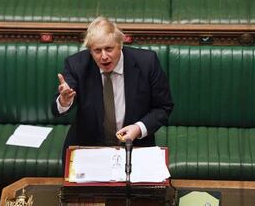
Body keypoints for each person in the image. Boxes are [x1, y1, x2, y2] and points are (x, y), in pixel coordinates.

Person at [52, 16, 173, 168]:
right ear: (90, 51)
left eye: (109, 49)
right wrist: (64, 101)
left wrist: (138, 128)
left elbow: (163, 107)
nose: (103, 56)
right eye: (97, 50)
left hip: (135, 147)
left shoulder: (147, 63)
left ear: (120, 45)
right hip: (89, 148)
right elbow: (58, 108)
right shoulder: (77, 65)